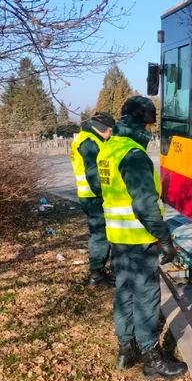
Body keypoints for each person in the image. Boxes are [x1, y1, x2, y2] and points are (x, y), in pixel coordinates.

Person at [96, 96, 188, 381]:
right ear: (144, 123)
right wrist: (165, 240)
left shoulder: (108, 150)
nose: (151, 129)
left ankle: (126, 351)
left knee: (123, 293)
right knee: (146, 297)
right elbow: (146, 205)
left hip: (117, 237)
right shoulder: (133, 155)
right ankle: (151, 358)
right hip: (139, 239)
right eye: (150, 123)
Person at [70, 112, 115, 287]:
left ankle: (98, 272)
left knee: (99, 234)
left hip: (88, 196)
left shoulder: (84, 137)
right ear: (103, 128)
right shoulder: (89, 142)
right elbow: (93, 175)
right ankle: (96, 276)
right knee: (100, 235)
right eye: (110, 131)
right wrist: (106, 195)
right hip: (95, 197)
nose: (111, 134)